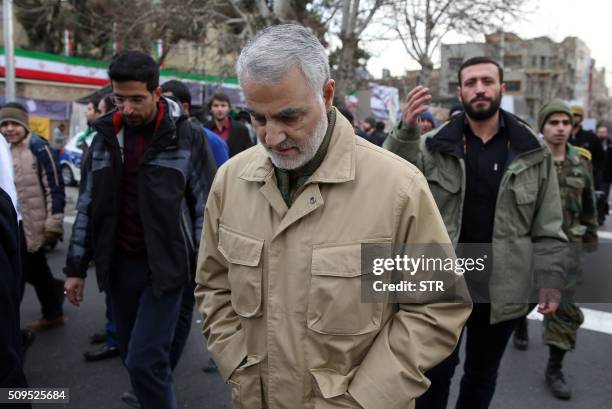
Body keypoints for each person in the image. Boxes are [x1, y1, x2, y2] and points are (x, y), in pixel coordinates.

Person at [195, 24, 471, 409]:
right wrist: (237, 364)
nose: (272, 137)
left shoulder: (397, 188)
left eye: (289, 117)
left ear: (327, 95)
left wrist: (362, 400)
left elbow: (435, 307)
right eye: (258, 118)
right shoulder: (230, 181)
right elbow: (213, 286)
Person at [384, 56, 567, 409]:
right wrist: (405, 131)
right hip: (442, 288)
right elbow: (390, 183)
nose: (479, 89)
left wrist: (550, 278)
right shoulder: (433, 145)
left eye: (487, 81)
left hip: (503, 290)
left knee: (482, 376)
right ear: (460, 91)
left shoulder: (533, 152)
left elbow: (548, 225)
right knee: (433, 377)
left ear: (501, 87)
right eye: (471, 83)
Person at [63, 50, 214, 409]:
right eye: (119, 99)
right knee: (135, 358)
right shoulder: (102, 137)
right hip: (119, 267)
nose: (127, 109)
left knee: (146, 361)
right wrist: (74, 268)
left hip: (167, 265)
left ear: (156, 94)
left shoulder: (187, 136)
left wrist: (206, 269)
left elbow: (206, 207)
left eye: (136, 99)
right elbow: (87, 206)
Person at [536, 99, 598, 399]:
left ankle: (554, 368)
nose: (561, 128)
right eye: (554, 123)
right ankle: (520, 328)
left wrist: (589, 237)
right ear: (543, 127)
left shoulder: (581, 160)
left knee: (566, 310)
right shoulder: (530, 161)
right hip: (532, 248)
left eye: (565, 123)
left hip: (568, 250)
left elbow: (589, 204)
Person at [0, 103, 66, 332]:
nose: (9, 129)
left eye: (14, 124)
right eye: (4, 124)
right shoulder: (4, 150)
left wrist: (54, 222)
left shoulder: (38, 147)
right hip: (14, 226)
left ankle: (14, 330)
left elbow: (54, 186)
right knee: (34, 271)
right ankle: (53, 306)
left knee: (21, 276)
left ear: (24, 125)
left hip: (35, 226)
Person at [161, 79, 228, 167]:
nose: (161, 110)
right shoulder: (157, 137)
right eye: (160, 104)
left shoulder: (212, 141)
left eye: (167, 105)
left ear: (184, 107)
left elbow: (222, 177)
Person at [204, 92, 254, 157]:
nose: (219, 109)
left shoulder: (241, 129)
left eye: (223, 105)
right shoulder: (205, 129)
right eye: (216, 106)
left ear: (229, 108)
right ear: (211, 109)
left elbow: (249, 153)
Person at [570, 105, 604, 185]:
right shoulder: (562, 136)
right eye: (571, 115)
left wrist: (592, 174)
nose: (573, 118)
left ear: (581, 118)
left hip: (586, 181)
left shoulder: (591, 137)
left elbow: (600, 159)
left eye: (576, 115)